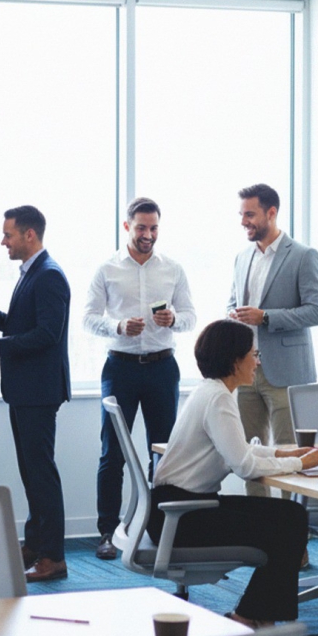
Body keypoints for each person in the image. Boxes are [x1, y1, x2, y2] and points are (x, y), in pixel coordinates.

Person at [151, 320, 318, 627]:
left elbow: (239, 448)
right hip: (183, 517)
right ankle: (251, 616)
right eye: (254, 354)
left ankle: (256, 614)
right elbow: (245, 466)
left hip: (178, 508)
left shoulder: (211, 391)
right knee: (289, 521)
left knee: (288, 515)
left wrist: (283, 453)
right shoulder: (219, 398)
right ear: (235, 361)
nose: (258, 362)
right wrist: (302, 464)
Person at [83, 196, 196, 560]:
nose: (148, 235)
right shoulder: (107, 269)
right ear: (127, 226)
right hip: (120, 367)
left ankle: (159, 530)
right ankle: (106, 532)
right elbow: (87, 318)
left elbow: (192, 316)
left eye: (154, 228)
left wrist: (174, 320)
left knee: (164, 452)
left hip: (163, 367)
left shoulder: (173, 269)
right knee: (111, 453)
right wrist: (118, 326)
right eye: (142, 227)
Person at [0, 206, 71, 583]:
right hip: (26, 390)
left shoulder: (49, 277)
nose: (3, 241)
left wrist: (1, 346)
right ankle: (35, 544)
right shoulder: (33, 274)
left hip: (39, 391)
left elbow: (48, 334)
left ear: (30, 235)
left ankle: (54, 558)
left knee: (42, 473)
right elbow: (24, 323)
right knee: (31, 472)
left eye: (8, 235)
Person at [227, 183, 318, 498]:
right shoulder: (242, 257)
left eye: (250, 214)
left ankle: (292, 535)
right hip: (246, 371)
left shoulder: (303, 255)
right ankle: (261, 531)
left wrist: (266, 317)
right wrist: (232, 315)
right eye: (241, 214)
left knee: (292, 457)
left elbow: (317, 311)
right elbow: (232, 302)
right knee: (250, 459)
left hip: (286, 373)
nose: (244, 221)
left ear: (272, 213)